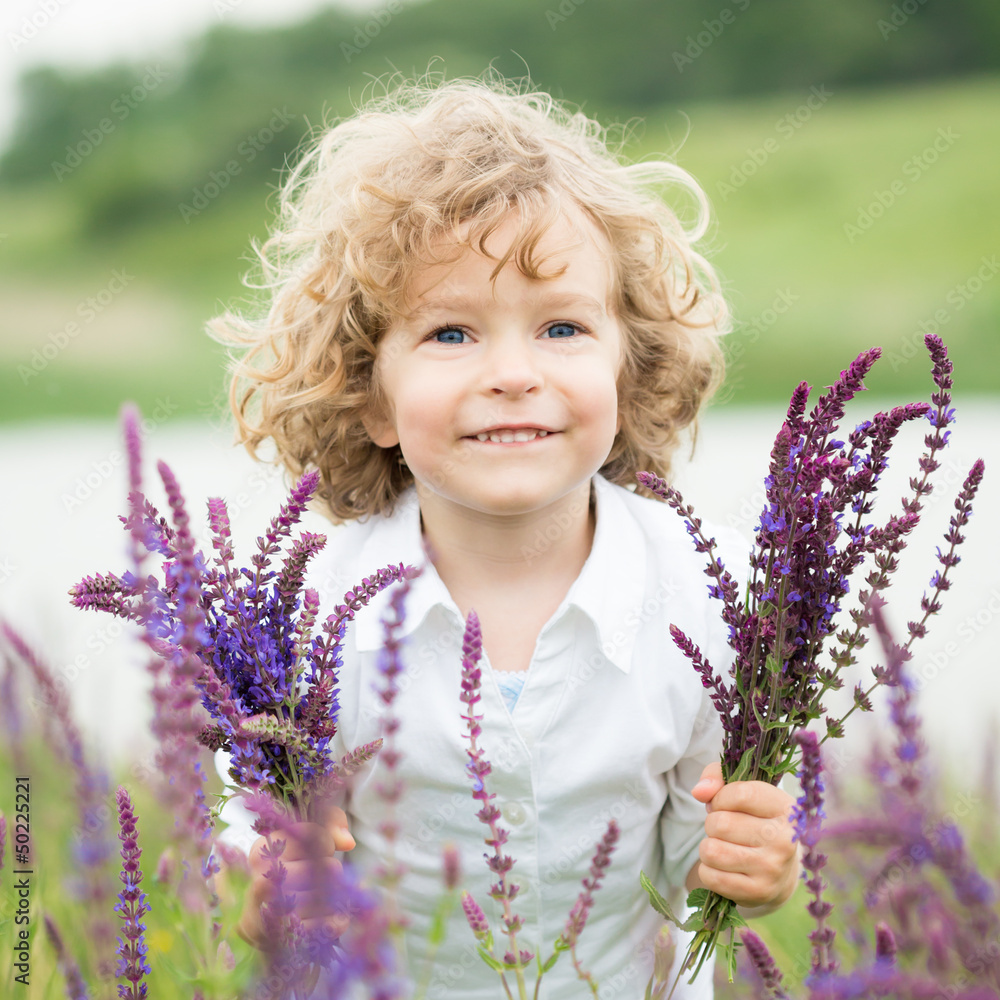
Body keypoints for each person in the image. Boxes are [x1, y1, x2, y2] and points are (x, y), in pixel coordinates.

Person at [209, 68, 800, 999]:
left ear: (630, 370)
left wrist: (759, 861)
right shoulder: (302, 618)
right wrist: (266, 888)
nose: (513, 373)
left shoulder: (715, 593)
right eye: (451, 334)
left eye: (563, 327)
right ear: (371, 395)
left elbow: (706, 854)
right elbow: (248, 853)